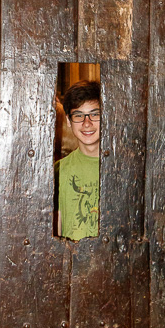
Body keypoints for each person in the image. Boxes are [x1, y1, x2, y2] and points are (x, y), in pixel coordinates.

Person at [54, 80, 100, 241]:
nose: (87, 123)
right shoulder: (59, 170)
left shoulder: (125, 168)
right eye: (79, 115)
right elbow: (57, 226)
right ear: (69, 121)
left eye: (95, 114)